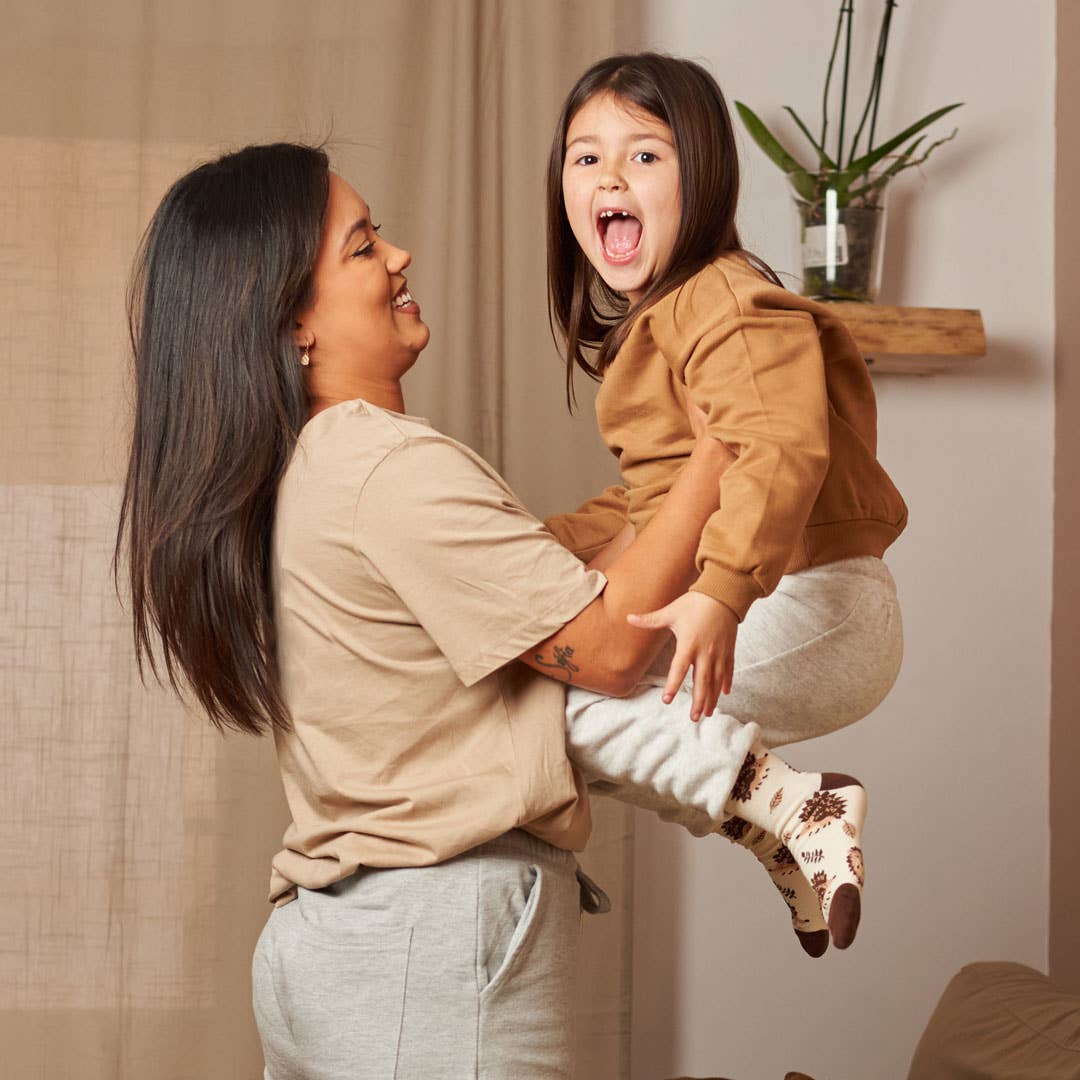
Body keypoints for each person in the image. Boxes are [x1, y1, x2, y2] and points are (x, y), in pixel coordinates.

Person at [115, 142, 875, 1079]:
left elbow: (562, 603)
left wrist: (674, 489)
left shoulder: (301, 470)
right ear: (291, 325)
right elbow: (601, 652)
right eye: (361, 248)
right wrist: (718, 455)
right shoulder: (382, 463)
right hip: (427, 941)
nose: (398, 259)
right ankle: (782, 806)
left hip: (332, 938)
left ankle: (773, 811)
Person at [542, 52, 907, 958]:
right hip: (789, 602)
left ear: (701, 174)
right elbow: (649, 498)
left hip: (817, 602)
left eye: (645, 156)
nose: (610, 177)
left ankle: (796, 809)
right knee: (567, 723)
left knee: (561, 712)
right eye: (585, 159)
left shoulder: (728, 302)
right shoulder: (667, 320)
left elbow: (776, 441)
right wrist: (537, 548)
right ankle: (775, 824)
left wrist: (723, 589)